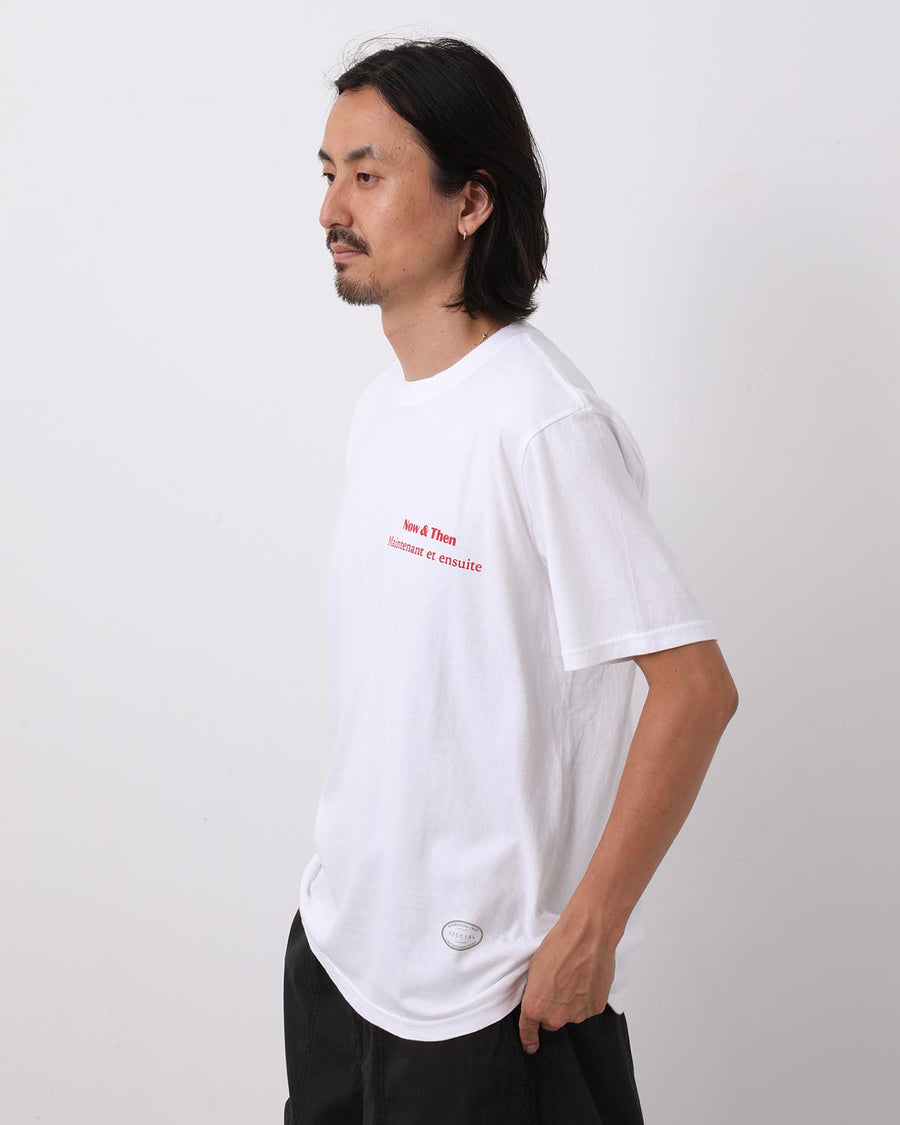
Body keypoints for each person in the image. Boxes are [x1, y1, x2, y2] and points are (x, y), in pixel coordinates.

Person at [283, 35, 738, 1125]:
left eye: (368, 175)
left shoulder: (542, 424)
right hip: (338, 957)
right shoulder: (383, 410)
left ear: (471, 201)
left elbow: (695, 689)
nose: (331, 208)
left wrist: (591, 931)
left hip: (486, 1000)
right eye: (329, 173)